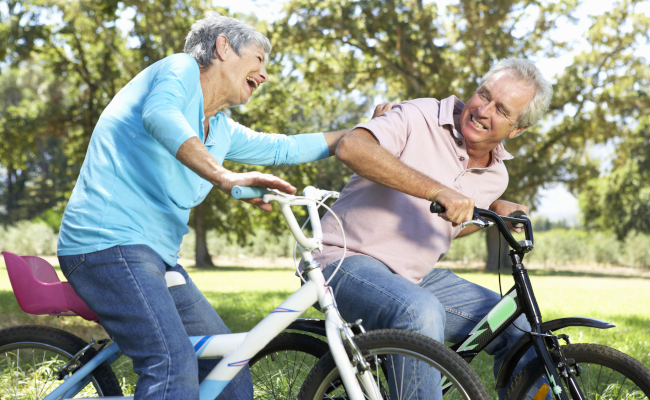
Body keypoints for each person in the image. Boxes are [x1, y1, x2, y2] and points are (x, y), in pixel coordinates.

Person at [56, 12, 384, 400]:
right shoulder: (178, 69)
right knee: (170, 363)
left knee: (227, 363)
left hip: (156, 259)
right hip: (106, 245)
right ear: (223, 46)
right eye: (259, 59)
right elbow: (160, 115)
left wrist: (364, 131)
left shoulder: (220, 129)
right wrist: (225, 177)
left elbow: (284, 147)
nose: (264, 75)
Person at [312, 58, 553, 398]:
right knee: (419, 310)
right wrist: (437, 189)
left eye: (501, 109)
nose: (483, 110)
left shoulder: (498, 176)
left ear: (517, 130)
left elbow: (450, 223)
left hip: (413, 277)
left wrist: (493, 211)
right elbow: (352, 146)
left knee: (517, 324)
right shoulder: (419, 115)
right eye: (483, 95)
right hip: (343, 259)